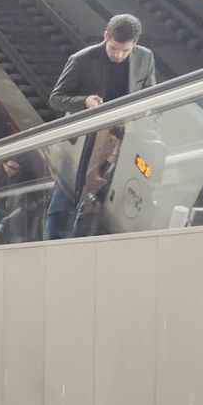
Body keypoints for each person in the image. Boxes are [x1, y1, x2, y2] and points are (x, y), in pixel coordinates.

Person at [44, 14, 157, 239]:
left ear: (136, 42)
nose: (118, 55)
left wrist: (145, 109)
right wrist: (84, 101)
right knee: (65, 198)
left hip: (118, 141)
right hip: (83, 142)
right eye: (114, 48)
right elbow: (55, 99)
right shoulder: (82, 59)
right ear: (106, 36)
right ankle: (52, 244)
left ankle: (80, 243)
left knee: (99, 198)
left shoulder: (145, 58)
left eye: (125, 51)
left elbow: (150, 93)